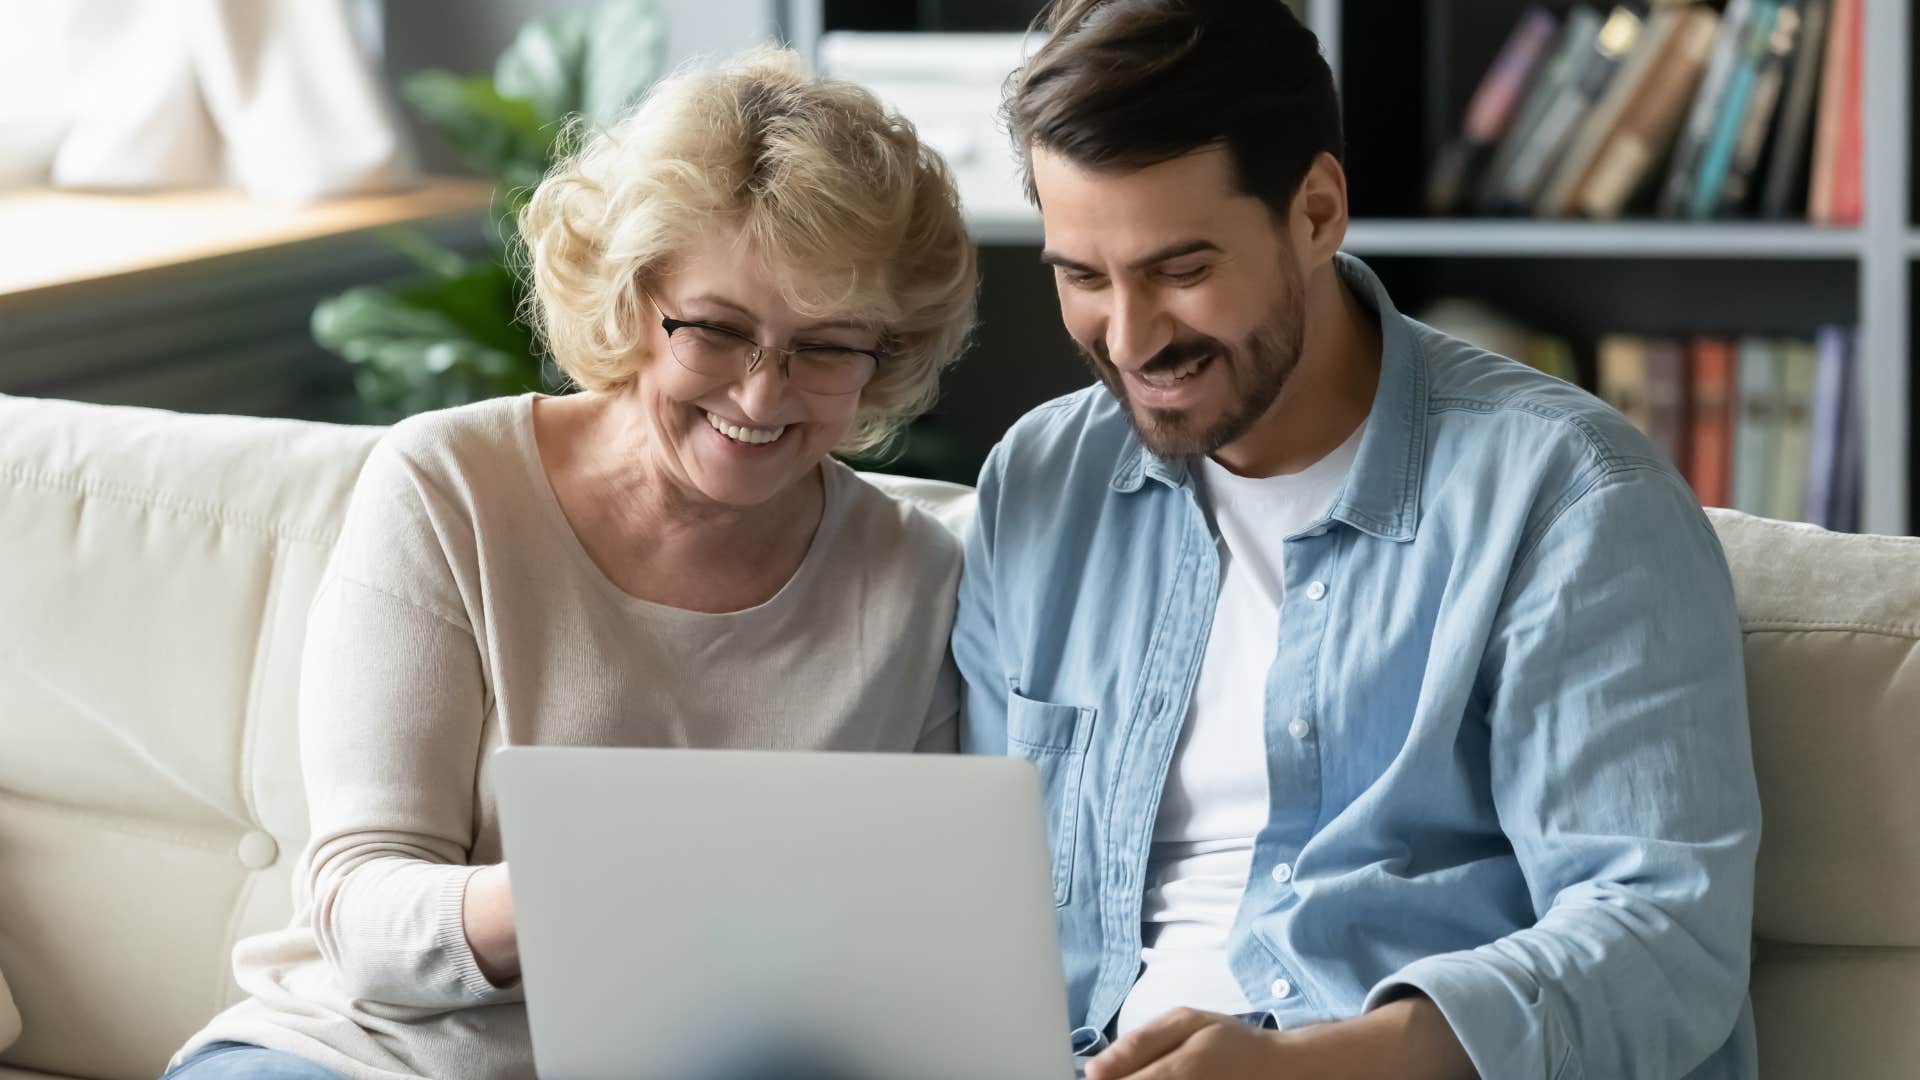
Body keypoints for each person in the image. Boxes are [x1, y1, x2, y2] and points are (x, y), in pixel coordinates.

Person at [953, 2, 1763, 1077]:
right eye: (1082, 278)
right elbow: (972, 895)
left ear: (1319, 211)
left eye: (1182, 269)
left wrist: (1309, 1069)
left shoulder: (1566, 498)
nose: (1132, 338)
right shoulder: (1042, 484)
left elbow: (1661, 940)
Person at [163, 47, 977, 1080]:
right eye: (717, 332)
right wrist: (595, 879)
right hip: (366, 1056)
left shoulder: (915, 578)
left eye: (824, 349)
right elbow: (357, 910)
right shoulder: (449, 488)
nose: (764, 396)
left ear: (887, 355)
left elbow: (919, 937)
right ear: (633, 302)